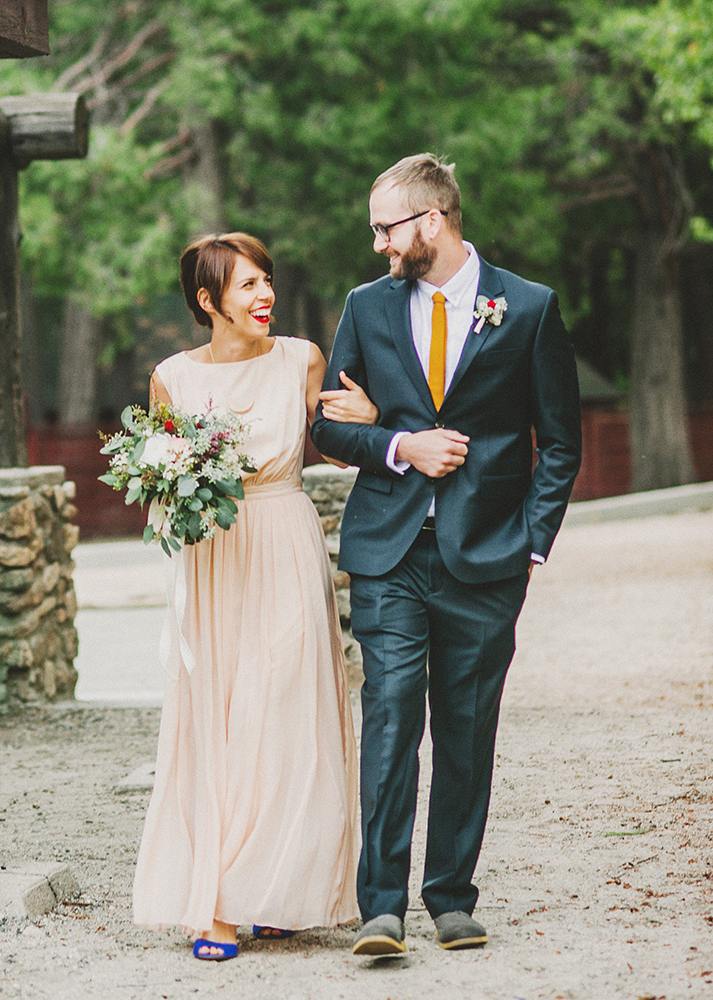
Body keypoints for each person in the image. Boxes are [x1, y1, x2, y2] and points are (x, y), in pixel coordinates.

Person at [311, 153, 582, 956]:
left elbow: (558, 442)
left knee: (466, 726)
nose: (378, 246)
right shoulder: (366, 307)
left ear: (432, 220)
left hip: (488, 556)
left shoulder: (527, 308)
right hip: (389, 551)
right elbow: (326, 427)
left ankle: (452, 898)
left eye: (385, 229)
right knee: (391, 718)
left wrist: (532, 542)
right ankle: (382, 908)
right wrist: (401, 444)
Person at [132, 233, 377, 961]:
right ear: (208, 302)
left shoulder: (300, 357)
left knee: (287, 709)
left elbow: (332, 444)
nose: (264, 295)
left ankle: (274, 887)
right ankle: (213, 901)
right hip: (216, 557)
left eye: (267, 280)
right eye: (246, 286)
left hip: (284, 537)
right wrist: (170, 485)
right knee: (220, 716)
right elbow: (156, 475)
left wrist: (363, 418)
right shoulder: (171, 377)